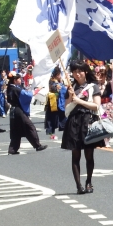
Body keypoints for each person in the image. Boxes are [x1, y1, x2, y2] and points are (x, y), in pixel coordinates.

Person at [61, 61, 102, 194]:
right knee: (75, 154)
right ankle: (78, 185)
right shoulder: (71, 87)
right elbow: (66, 108)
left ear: (85, 71)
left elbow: (96, 106)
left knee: (89, 155)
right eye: (74, 71)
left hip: (88, 120)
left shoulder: (93, 87)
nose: (77, 74)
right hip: (73, 121)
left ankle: (89, 181)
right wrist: (70, 96)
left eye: (80, 71)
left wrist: (79, 101)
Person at [6, 72, 47, 155]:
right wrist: (38, 89)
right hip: (18, 110)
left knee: (15, 130)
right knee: (29, 126)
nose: (20, 80)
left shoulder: (9, 88)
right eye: (19, 79)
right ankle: (37, 145)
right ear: (14, 80)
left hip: (13, 110)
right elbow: (28, 95)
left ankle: (13, 149)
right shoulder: (16, 89)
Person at [45, 68, 63, 141]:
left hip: (58, 101)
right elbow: (56, 89)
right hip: (52, 102)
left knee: (58, 117)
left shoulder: (57, 81)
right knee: (51, 119)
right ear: (57, 74)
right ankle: (51, 134)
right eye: (59, 74)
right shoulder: (52, 82)